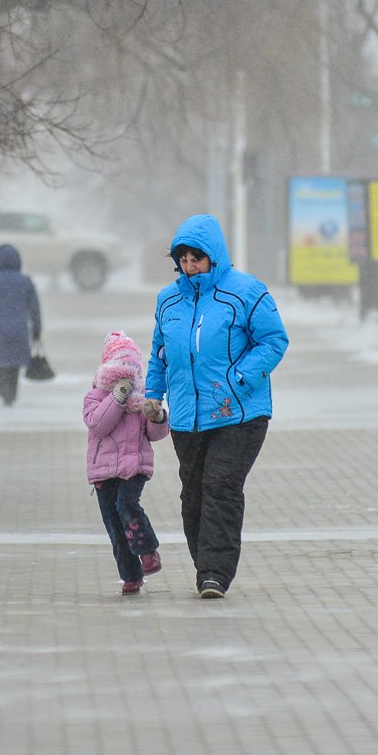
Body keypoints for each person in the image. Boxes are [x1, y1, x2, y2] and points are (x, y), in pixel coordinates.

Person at [143, 214, 289, 599]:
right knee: (193, 495)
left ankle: (215, 574)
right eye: (184, 259)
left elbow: (274, 341)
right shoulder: (168, 300)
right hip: (189, 419)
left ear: (214, 257)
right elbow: (159, 353)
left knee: (220, 486)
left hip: (239, 414)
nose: (190, 266)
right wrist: (153, 393)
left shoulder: (246, 292)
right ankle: (205, 564)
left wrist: (240, 378)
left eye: (197, 258)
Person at [83, 331, 170, 596]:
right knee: (114, 525)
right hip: (104, 471)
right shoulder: (96, 396)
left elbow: (154, 435)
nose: (127, 376)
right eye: (121, 368)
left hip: (134, 467)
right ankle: (131, 576)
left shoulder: (142, 399)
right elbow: (98, 424)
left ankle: (148, 550)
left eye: (131, 369)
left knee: (127, 506)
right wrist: (117, 398)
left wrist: (157, 417)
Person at [0, 243, 42, 405]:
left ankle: (4, 391)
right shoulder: (25, 281)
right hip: (20, 330)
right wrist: (37, 329)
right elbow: (35, 308)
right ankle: (11, 393)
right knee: (14, 366)